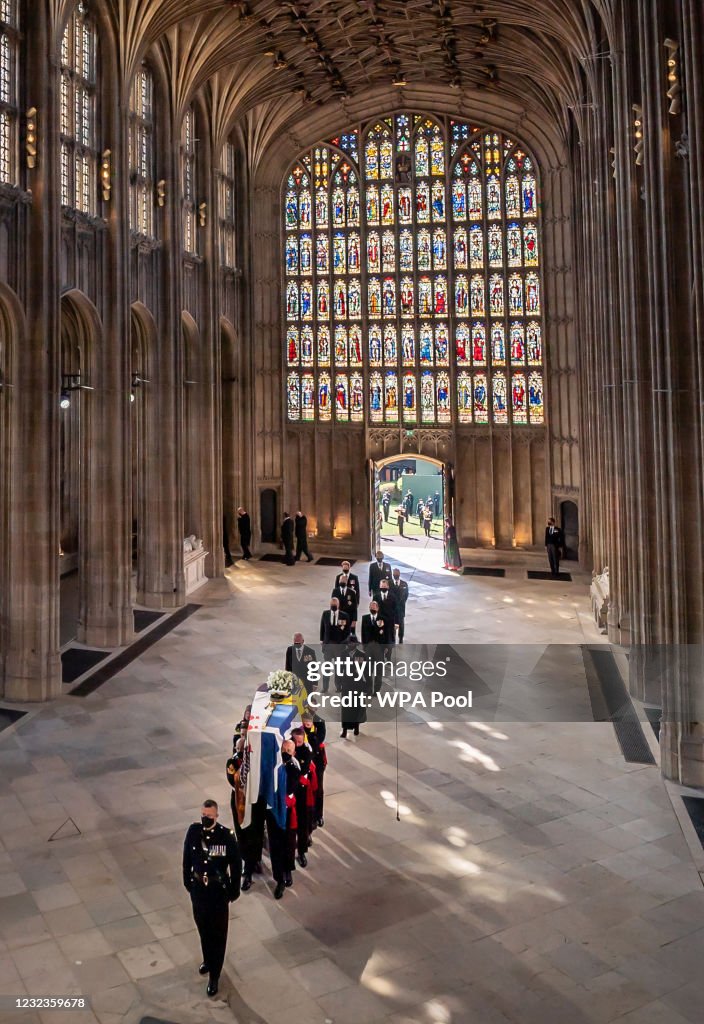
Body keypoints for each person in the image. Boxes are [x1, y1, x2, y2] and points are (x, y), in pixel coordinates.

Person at [182, 800, 241, 997]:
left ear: (216, 816)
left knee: (218, 934)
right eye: (203, 815)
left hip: (217, 892)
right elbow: (186, 859)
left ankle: (214, 975)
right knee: (203, 928)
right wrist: (188, 882)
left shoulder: (225, 836)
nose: (204, 819)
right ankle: (208, 959)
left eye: (208, 816)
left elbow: (235, 864)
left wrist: (233, 890)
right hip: (199, 890)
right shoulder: (193, 832)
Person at [225, 738, 265, 892]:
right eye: (239, 748)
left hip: (254, 800)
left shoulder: (254, 761)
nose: (241, 751)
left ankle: (256, 859)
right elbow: (232, 779)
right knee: (242, 833)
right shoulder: (232, 762)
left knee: (256, 831)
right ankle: (247, 867)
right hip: (240, 800)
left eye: (243, 748)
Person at [265, 740, 299, 899]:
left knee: (289, 844)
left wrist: (287, 766)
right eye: (284, 749)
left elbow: (292, 788)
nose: (286, 752)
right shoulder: (273, 766)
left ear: (294, 752)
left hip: (287, 812)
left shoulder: (294, 767)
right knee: (275, 846)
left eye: (289, 750)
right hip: (273, 813)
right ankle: (279, 879)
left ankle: (288, 871)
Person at [291, 727, 317, 865]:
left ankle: (301, 852)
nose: (298, 743)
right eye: (296, 741)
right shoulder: (288, 747)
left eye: (300, 741)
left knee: (302, 822)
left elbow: (304, 770)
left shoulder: (306, 751)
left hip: (300, 792)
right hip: (290, 791)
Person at [301, 711, 327, 826]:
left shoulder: (319, 725)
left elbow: (317, 742)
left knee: (318, 789)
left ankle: (319, 815)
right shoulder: (300, 731)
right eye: (305, 721)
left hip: (317, 762)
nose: (307, 723)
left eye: (309, 721)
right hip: (307, 763)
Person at [320, 597, 351, 690]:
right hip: (328, 645)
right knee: (327, 668)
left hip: (339, 646)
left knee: (339, 668)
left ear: (338, 605)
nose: (333, 606)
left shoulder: (344, 616)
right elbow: (322, 628)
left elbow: (347, 632)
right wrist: (322, 641)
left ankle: (338, 686)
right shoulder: (325, 614)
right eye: (332, 605)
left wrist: (344, 644)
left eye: (335, 605)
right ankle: (325, 687)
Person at [340, 645, 370, 739]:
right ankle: (345, 729)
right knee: (346, 708)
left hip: (358, 684)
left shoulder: (362, 655)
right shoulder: (343, 654)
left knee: (357, 707)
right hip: (347, 684)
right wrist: (338, 684)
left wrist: (368, 687)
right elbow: (339, 669)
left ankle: (356, 727)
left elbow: (367, 672)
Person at [390, 567, 409, 643]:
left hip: (401, 608)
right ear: (393, 574)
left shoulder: (404, 584)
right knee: (392, 623)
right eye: (394, 574)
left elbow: (406, 594)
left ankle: (400, 638)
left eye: (397, 574)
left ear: (399, 574)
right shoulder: (389, 583)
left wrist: (402, 602)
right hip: (392, 608)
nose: (396, 575)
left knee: (401, 623)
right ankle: (393, 637)